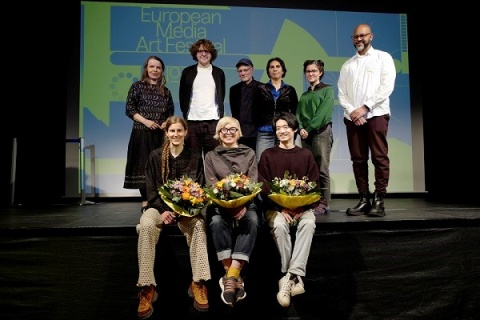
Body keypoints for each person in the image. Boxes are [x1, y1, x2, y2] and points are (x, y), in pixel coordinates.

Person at [136, 116, 211, 319]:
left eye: (179, 131)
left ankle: (198, 282)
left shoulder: (195, 155)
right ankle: (147, 287)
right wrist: (162, 210)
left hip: (185, 211)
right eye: (172, 131)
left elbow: (199, 187)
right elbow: (150, 188)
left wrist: (182, 209)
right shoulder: (156, 155)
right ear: (166, 133)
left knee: (198, 226)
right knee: (145, 225)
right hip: (159, 208)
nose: (176, 135)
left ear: (185, 132)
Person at [257, 112, 320, 308]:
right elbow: (263, 185)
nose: (282, 131)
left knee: (309, 223)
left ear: (294, 130)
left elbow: (314, 184)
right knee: (278, 225)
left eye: (286, 127)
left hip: (303, 208)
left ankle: (289, 277)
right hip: (277, 208)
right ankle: (292, 275)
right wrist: (282, 207)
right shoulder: (268, 155)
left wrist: (302, 206)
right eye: (278, 128)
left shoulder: (306, 155)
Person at [337, 23, 396, 217]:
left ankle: (379, 200)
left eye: (362, 36)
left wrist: (365, 108)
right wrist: (354, 112)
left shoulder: (383, 58)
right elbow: (342, 93)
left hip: (376, 114)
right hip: (353, 119)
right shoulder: (348, 65)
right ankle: (364, 199)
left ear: (370, 36)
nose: (359, 39)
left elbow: (386, 87)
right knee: (358, 160)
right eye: (356, 37)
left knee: (379, 157)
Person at [204, 116, 260, 307]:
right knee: (216, 222)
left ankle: (230, 276)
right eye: (224, 129)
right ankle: (233, 276)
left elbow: (253, 183)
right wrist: (227, 206)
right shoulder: (211, 155)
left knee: (252, 219)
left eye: (232, 129)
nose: (228, 133)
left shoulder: (249, 152)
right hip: (220, 205)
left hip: (245, 204)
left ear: (239, 132)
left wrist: (241, 204)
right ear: (218, 134)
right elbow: (211, 185)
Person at [123, 55, 174, 213]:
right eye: (152, 66)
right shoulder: (137, 86)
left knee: (160, 168)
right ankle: (146, 202)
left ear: (162, 71)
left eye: (158, 67)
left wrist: (166, 123)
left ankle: (159, 202)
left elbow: (170, 113)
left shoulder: (166, 91)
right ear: (146, 69)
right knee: (143, 168)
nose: (155, 70)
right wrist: (146, 121)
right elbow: (130, 109)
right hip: (142, 133)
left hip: (159, 135)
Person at [296, 59, 335, 215]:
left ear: (320, 72)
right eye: (308, 71)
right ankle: (312, 199)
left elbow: (322, 114)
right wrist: (300, 128)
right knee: (310, 169)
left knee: (322, 168)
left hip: (321, 133)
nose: (310, 73)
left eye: (313, 71)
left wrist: (309, 128)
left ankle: (324, 202)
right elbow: (298, 114)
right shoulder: (304, 94)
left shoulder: (327, 90)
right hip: (305, 135)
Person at [179, 38, 226, 157]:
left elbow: (222, 95)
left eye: (207, 51)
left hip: (213, 122)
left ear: (212, 54)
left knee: (214, 158)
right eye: (200, 51)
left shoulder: (219, 73)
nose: (204, 54)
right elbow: (182, 96)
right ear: (195, 53)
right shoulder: (187, 72)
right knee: (193, 159)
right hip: (192, 122)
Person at [252, 57, 299, 164]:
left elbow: (295, 112)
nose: (275, 69)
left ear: (283, 70)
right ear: (268, 71)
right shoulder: (260, 89)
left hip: (284, 131)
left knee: (285, 163)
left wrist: (292, 130)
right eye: (271, 67)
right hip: (265, 131)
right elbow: (254, 111)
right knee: (262, 162)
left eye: (278, 66)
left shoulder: (290, 90)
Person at [229, 58, 263, 151]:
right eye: (240, 71)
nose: (243, 73)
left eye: (245, 70)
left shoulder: (262, 87)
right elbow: (234, 113)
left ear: (252, 70)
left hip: (257, 134)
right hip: (240, 134)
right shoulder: (234, 89)